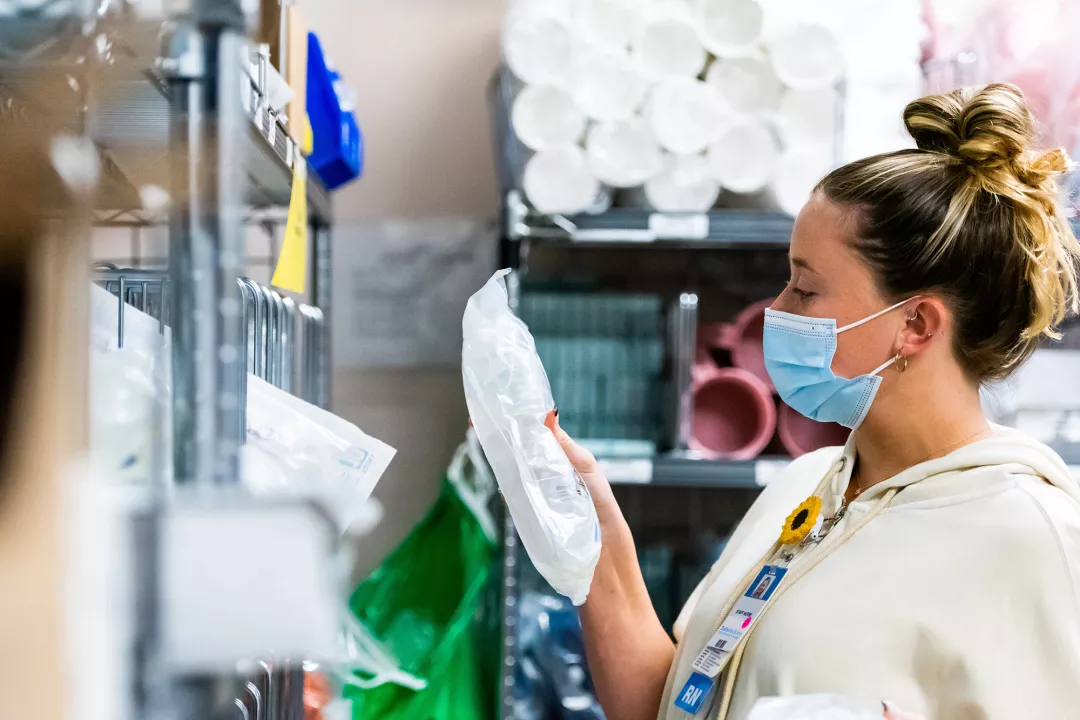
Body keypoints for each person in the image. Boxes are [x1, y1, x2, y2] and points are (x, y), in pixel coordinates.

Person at [555, 83, 1080, 720]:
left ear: (915, 325)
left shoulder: (1030, 537)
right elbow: (673, 705)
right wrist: (590, 525)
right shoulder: (805, 486)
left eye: (804, 290)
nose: (775, 311)